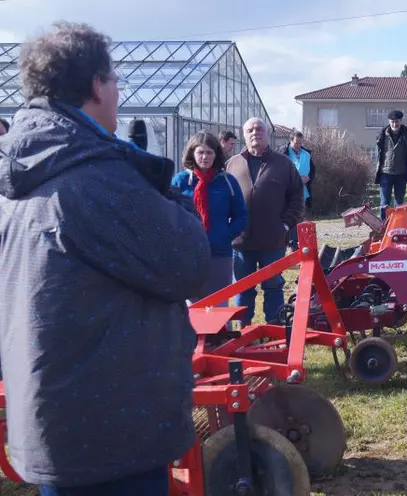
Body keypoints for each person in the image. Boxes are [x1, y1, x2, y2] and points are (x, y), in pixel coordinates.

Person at [0, 22, 211, 494]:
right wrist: (160, 186)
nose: (118, 92)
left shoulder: (23, 172)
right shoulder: (93, 179)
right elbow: (191, 263)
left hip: (57, 422)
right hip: (110, 436)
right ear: (96, 84)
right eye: (114, 80)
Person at [227, 117, 304, 326]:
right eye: (250, 130)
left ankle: (275, 328)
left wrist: (286, 225)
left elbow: (297, 197)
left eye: (259, 129)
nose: (255, 133)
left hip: (273, 240)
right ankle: (243, 331)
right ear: (244, 135)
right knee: (242, 288)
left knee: (273, 286)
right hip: (241, 242)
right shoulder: (232, 164)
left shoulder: (283, 163)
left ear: (267, 133)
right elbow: (222, 198)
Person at [172, 131, 247, 304]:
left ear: (216, 155)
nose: (204, 157)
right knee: (191, 310)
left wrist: (225, 235)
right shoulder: (180, 181)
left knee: (219, 309)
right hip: (188, 254)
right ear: (192, 153)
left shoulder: (227, 182)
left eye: (209, 152)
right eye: (200, 152)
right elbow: (169, 213)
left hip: (219, 254)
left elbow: (241, 215)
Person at [375, 109, 407, 220]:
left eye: (397, 121)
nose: (395, 124)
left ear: (400, 121)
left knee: (399, 202)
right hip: (385, 173)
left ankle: (397, 224)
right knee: (385, 202)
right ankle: (383, 224)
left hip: (401, 174)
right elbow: (378, 153)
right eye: (392, 121)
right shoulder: (382, 135)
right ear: (389, 122)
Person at [282, 130, 316, 250]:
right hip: (288, 192)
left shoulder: (306, 154)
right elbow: (279, 172)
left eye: (301, 143)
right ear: (290, 141)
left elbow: (312, 170)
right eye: (296, 143)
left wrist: (309, 178)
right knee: (290, 217)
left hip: (303, 192)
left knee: (301, 216)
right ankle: (291, 242)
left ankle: (298, 243)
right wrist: (296, 179)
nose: (299, 145)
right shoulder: (283, 153)